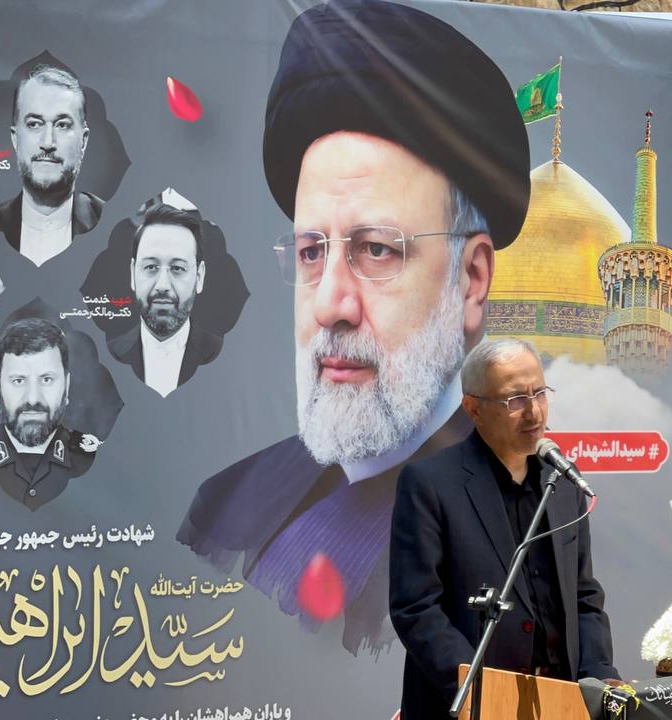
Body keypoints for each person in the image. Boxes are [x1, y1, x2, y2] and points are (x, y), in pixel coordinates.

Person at [176, 0, 531, 655]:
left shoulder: (520, 529)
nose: (329, 305)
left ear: (471, 279)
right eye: (312, 251)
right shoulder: (224, 504)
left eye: (376, 250)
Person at [390, 338, 619, 719]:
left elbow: (583, 594)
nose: (534, 412)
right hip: (473, 704)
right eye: (515, 400)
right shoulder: (430, 483)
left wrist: (598, 675)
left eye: (540, 393)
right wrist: (480, 690)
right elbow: (416, 608)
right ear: (474, 408)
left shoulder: (562, 481)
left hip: (560, 700)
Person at [0, 318, 99, 510]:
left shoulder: (92, 461)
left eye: (46, 379)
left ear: (67, 385)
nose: (32, 398)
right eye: (18, 381)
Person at [0, 63, 103, 266]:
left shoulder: (111, 221)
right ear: (15, 138)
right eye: (34, 124)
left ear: (83, 140)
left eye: (62, 125)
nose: (47, 143)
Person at [108, 202, 222, 397]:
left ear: (199, 277)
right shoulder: (110, 355)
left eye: (177, 268)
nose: (162, 285)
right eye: (151, 267)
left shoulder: (223, 355)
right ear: (133, 273)